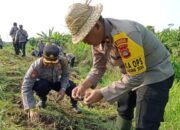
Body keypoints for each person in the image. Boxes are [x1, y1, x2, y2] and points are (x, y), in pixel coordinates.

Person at [65, 1, 174, 130]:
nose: (84, 41)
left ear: (97, 26)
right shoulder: (97, 41)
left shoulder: (125, 34)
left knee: (145, 122)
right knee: (124, 107)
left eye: (85, 36)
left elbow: (136, 77)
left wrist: (101, 93)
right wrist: (84, 85)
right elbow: (98, 67)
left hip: (155, 74)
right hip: (132, 74)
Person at [21, 44, 81, 121]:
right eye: (47, 62)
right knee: (41, 86)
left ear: (58, 58)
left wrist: (62, 89)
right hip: (45, 82)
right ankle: (43, 100)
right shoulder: (36, 66)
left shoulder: (63, 62)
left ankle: (74, 105)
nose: (50, 64)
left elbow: (65, 76)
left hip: (57, 81)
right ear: (43, 57)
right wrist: (31, 108)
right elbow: (26, 86)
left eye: (53, 63)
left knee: (72, 87)